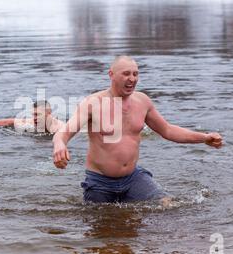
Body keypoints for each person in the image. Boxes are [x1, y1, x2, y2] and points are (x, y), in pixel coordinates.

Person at [52, 56, 223, 205]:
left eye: (135, 74)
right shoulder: (93, 103)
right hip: (100, 182)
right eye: (126, 74)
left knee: (167, 204)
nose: (132, 79)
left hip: (133, 178)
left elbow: (168, 130)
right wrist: (59, 145)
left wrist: (204, 137)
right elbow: (64, 132)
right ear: (111, 74)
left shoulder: (142, 102)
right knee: (102, 227)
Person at [0, 100, 64, 134]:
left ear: (49, 113)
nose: (35, 118)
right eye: (34, 114)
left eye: (38, 115)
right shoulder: (32, 122)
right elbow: (8, 121)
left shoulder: (60, 128)